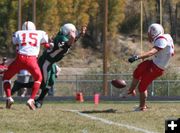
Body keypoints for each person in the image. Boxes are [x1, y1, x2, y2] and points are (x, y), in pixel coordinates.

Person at [11, 23, 87, 108]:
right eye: (72, 31)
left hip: (51, 62)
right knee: (43, 84)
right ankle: (20, 85)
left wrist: (80, 34)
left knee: (51, 81)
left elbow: (71, 41)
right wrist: (74, 37)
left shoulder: (64, 38)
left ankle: (39, 100)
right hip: (46, 62)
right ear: (68, 32)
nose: (74, 33)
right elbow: (68, 43)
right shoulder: (61, 38)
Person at [3, 21, 52, 110]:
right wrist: (49, 44)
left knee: (6, 77)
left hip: (20, 58)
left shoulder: (18, 33)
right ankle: (31, 99)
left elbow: (16, 43)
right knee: (38, 78)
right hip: (32, 60)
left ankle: (9, 98)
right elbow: (46, 45)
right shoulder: (40, 33)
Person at [127, 23, 174, 111]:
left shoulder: (161, 40)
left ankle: (142, 107)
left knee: (142, 86)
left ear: (153, 34)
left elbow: (152, 52)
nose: (148, 36)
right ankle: (131, 90)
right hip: (154, 63)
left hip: (157, 68)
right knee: (138, 71)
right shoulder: (166, 37)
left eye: (149, 34)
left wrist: (137, 57)